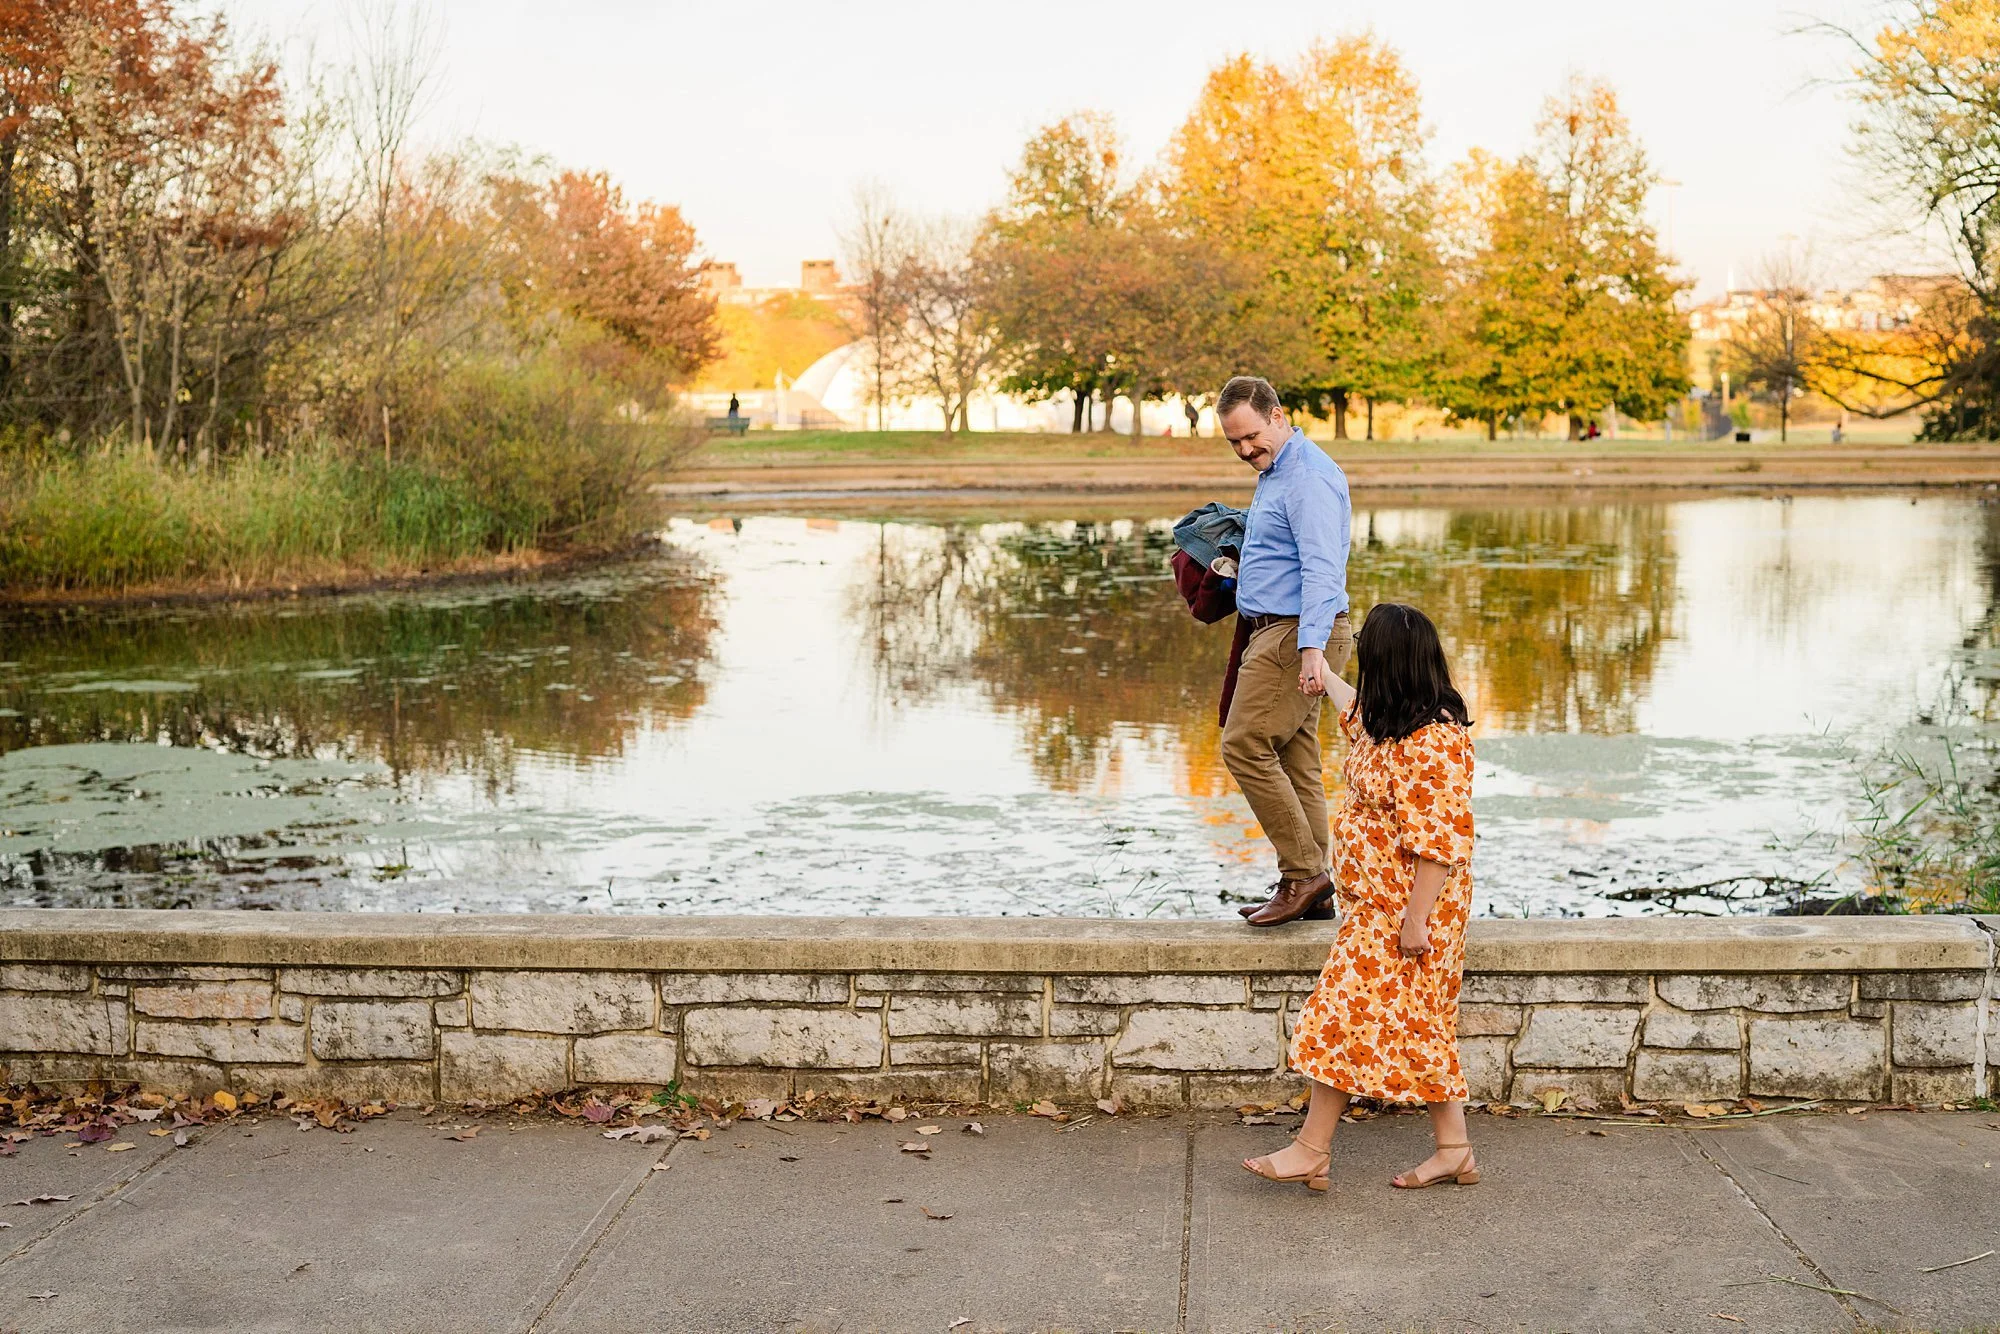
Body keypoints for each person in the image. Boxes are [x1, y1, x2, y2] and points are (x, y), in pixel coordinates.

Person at [1242, 602, 1478, 1193]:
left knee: (1339, 1018)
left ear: (1389, 664)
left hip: (1408, 912)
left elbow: (1438, 843)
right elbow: (1348, 703)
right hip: (1374, 908)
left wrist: (1417, 922)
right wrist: (1315, 662)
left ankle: (1310, 1150)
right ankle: (1455, 1150)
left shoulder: (1437, 743)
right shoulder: (1386, 720)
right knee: (1421, 1028)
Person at [1213, 375, 1352, 927]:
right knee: (1296, 759)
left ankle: (1304, 875)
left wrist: (1311, 648)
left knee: (1244, 745)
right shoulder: (1279, 471)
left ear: (1278, 415)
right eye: (1234, 443)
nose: (1246, 450)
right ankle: (1315, 892)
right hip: (1281, 630)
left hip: (1296, 634)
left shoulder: (1307, 477)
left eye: (1251, 436)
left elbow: (1323, 567)